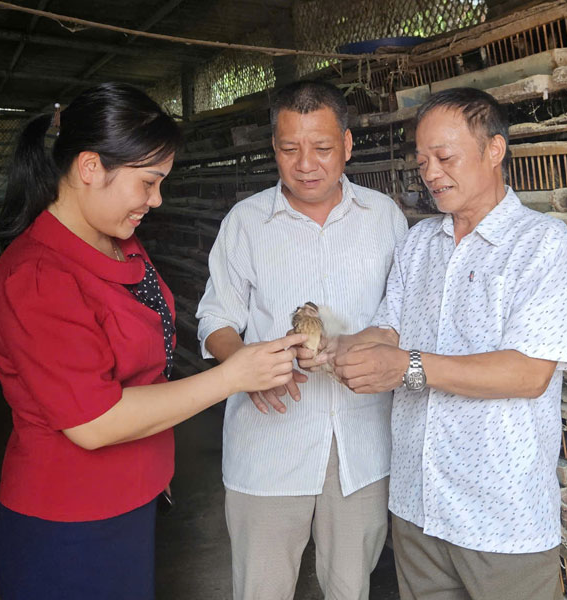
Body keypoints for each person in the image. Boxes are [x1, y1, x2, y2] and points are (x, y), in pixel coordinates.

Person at [0, 82, 305, 600]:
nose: (156, 200)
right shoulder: (39, 276)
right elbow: (94, 422)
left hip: (130, 500)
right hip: (70, 521)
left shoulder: (116, 244)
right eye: (148, 182)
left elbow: (144, 367)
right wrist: (231, 376)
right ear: (90, 168)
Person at [327, 88, 567, 600]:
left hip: (500, 516)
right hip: (417, 504)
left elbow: (528, 373)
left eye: (445, 158)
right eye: (423, 161)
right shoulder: (420, 242)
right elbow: (390, 328)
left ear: (494, 150)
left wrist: (407, 367)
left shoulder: (543, 244)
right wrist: (343, 347)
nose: (431, 173)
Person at [196, 80, 408, 600]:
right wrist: (242, 366)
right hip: (268, 445)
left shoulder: (384, 219)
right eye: (290, 149)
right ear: (274, 148)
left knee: (349, 588)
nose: (306, 164)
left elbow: (403, 312)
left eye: (322, 148)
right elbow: (214, 318)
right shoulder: (245, 223)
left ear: (349, 146)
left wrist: (370, 345)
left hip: (360, 446)